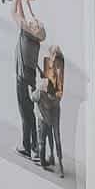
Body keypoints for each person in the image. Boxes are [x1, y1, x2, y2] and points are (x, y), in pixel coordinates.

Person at [11, 0, 47, 160]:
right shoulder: (35, 36)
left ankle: (32, 149)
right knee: (28, 111)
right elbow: (27, 16)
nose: (34, 21)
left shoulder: (26, 31)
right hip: (30, 75)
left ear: (33, 27)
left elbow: (15, 13)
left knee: (26, 112)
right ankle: (28, 147)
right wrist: (26, 2)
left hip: (23, 76)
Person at [32, 45, 65, 177]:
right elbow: (47, 80)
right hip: (50, 103)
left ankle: (59, 163)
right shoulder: (50, 63)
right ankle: (52, 157)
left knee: (55, 133)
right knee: (50, 133)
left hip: (53, 104)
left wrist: (50, 97)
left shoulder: (59, 69)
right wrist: (43, 75)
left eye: (55, 57)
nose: (53, 61)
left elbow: (58, 92)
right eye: (52, 57)